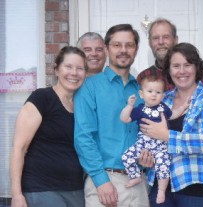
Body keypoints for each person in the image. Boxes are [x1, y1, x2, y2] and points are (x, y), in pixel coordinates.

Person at [139, 42, 203, 207]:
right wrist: (147, 158)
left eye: (187, 65)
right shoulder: (163, 100)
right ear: (169, 71)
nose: (182, 71)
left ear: (197, 68)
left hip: (199, 192)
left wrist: (166, 136)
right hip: (161, 191)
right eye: (176, 66)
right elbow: (150, 137)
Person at [74, 24, 150, 207]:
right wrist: (101, 180)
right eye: (117, 45)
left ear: (136, 49)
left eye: (129, 45)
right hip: (105, 182)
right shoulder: (89, 87)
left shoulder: (142, 92)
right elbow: (84, 137)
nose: (123, 50)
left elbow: (146, 134)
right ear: (107, 49)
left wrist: (149, 158)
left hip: (138, 183)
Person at [10, 46, 87, 207]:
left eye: (80, 68)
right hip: (42, 189)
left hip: (76, 190)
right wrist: (17, 195)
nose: (74, 73)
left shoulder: (82, 106)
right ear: (56, 70)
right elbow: (19, 148)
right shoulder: (42, 98)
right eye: (68, 66)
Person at [120, 75, 189, 204]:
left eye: (158, 92)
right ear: (141, 94)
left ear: (163, 96)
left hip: (161, 146)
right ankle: (135, 176)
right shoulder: (140, 109)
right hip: (143, 144)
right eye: (150, 91)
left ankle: (161, 191)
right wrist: (129, 106)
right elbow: (125, 119)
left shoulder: (163, 107)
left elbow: (173, 115)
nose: (153, 95)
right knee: (126, 156)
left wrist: (183, 107)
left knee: (163, 166)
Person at [137, 18, 203, 90]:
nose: (161, 42)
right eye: (156, 38)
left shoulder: (196, 71)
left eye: (166, 37)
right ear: (150, 43)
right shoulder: (144, 77)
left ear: (175, 40)